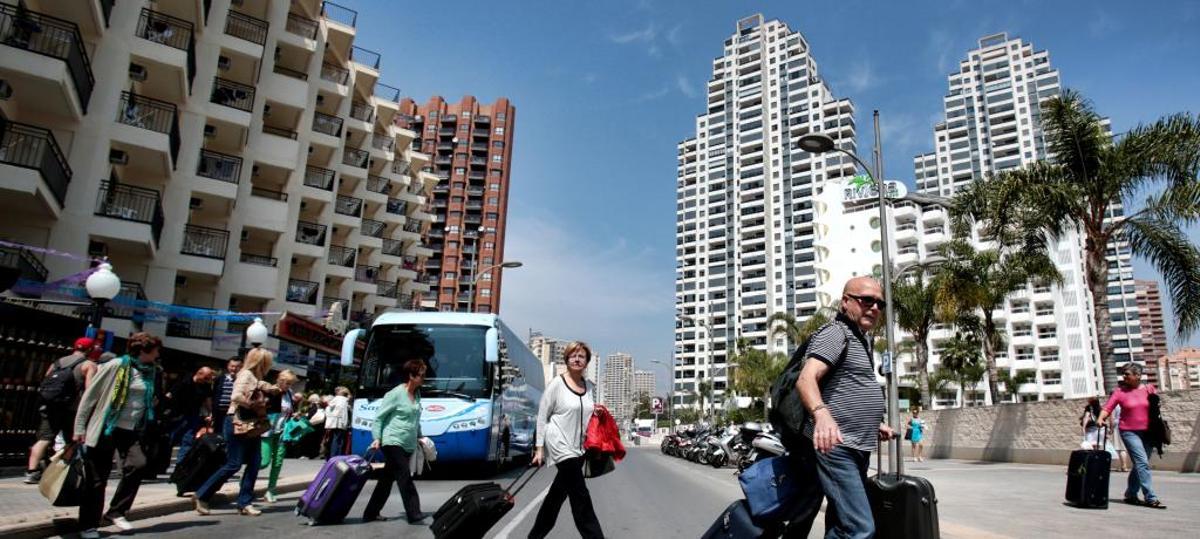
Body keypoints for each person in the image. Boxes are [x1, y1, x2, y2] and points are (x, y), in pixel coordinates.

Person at [787, 276, 893, 539]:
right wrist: (821, 414)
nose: (875, 308)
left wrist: (874, 423)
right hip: (837, 448)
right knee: (860, 528)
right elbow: (806, 378)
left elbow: (846, 387)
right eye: (867, 300)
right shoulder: (837, 332)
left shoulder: (862, 340)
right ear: (846, 302)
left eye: (880, 303)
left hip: (857, 446)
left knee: (840, 525)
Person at [72, 332, 164, 538]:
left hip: (131, 429)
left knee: (138, 465)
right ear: (143, 350)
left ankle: (116, 511)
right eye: (156, 349)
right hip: (107, 427)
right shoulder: (116, 366)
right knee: (97, 479)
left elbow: (149, 396)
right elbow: (90, 396)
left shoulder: (152, 371)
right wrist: (79, 428)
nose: (158, 353)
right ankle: (88, 525)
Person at [528, 341, 603, 539]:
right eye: (573, 356)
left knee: (555, 498)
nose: (577, 359)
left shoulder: (588, 387)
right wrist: (539, 448)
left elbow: (587, 413)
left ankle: (534, 536)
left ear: (587, 361)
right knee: (581, 496)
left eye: (582, 356)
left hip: (578, 448)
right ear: (567, 359)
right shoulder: (557, 384)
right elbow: (542, 415)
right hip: (559, 444)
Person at [194, 348, 279, 516]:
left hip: (251, 424)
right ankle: (201, 494)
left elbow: (260, 386)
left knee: (255, 462)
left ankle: (245, 502)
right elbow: (236, 396)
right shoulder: (246, 374)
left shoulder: (254, 377)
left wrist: (272, 389)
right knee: (234, 463)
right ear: (261, 362)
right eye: (267, 362)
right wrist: (254, 404)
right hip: (237, 423)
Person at [361, 359, 429, 524]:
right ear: (411, 376)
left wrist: (420, 436)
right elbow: (379, 418)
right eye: (421, 375)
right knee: (404, 477)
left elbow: (415, 419)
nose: (423, 378)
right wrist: (377, 438)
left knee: (386, 480)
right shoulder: (395, 394)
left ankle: (371, 513)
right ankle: (414, 513)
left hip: (408, 443)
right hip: (392, 441)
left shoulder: (417, 394)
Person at [25, 337, 99, 483]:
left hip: (51, 406)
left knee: (44, 439)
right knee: (73, 439)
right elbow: (90, 389)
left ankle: (31, 471)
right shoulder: (88, 365)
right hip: (72, 409)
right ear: (90, 349)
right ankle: (62, 470)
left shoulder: (58, 362)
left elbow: (46, 380)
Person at [1097, 363, 1165, 509]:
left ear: (1138, 375)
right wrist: (1100, 418)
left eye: (1127, 374)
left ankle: (1131, 494)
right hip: (1129, 431)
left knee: (1141, 464)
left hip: (1148, 432)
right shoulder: (1120, 391)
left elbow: (1156, 408)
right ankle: (1150, 497)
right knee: (1142, 463)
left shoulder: (1149, 389)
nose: (1124, 376)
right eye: (1123, 374)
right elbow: (1108, 407)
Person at [260, 369, 298, 503]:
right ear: (279, 380)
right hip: (267, 431)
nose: (288, 386)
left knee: (278, 462)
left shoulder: (289, 393)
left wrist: (294, 416)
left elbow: (289, 411)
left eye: (290, 383)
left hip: (282, 432)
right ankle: (246, 481)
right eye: (286, 383)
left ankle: (270, 490)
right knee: (263, 461)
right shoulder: (270, 391)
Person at [165, 367, 216, 464]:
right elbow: (170, 394)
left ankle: (180, 464)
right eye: (206, 378)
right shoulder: (185, 381)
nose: (207, 381)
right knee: (170, 439)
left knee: (188, 440)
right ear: (199, 373)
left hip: (193, 414)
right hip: (177, 414)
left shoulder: (205, 386)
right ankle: (163, 463)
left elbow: (208, 400)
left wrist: (210, 413)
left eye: (209, 379)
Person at [211, 357, 242, 432]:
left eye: (237, 367)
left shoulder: (241, 381)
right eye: (232, 366)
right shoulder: (220, 379)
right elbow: (214, 394)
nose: (234, 369)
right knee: (217, 431)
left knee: (228, 433)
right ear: (228, 366)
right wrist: (211, 412)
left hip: (233, 414)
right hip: (218, 412)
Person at [324, 387, 352, 458]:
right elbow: (346, 413)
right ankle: (336, 456)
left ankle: (331, 456)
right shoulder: (345, 401)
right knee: (339, 441)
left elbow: (329, 409)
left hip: (334, 422)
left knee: (334, 440)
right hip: (341, 423)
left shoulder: (336, 399)